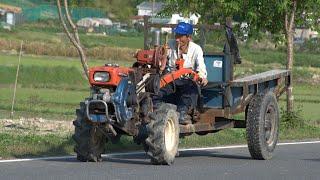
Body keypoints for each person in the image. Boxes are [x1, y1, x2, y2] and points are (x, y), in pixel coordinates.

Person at [153, 22, 208, 125]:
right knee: (157, 91)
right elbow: (162, 60)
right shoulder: (170, 44)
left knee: (191, 89)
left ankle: (182, 113)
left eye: (180, 36)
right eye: (176, 35)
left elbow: (201, 68)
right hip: (171, 80)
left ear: (188, 37)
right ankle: (157, 110)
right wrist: (161, 57)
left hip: (187, 81)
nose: (177, 39)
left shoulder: (196, 49)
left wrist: (202, 77)